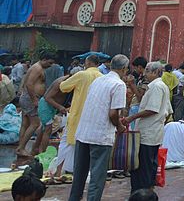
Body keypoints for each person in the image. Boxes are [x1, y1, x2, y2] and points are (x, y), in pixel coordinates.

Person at [68, 54, 129, 201]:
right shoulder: (119, 85)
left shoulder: (98, 80)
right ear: (124, 69)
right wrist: (120, 126)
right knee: (97, 178)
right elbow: (113, 113)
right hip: (100, 136)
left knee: (79, 175)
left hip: (84, 132)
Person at [124, 61, 173, 192]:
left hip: (148, 133)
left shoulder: (157, 86)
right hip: (152, 132)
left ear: (155, 72)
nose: (145, 73)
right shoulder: (158, 86)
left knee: (144, 167)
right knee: (148, 165)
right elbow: (168, 111)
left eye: (147, 70)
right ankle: (146, 191)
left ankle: (142, 193)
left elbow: (152, 109)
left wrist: (132, 117)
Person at [57, 54, 102, 174]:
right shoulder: (102, 77)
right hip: (92, 117)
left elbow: (63, 87)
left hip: (77, 114)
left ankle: (59, 170)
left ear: (87, 63)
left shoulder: (82, 74)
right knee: (83, 145)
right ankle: (76, 170)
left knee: (66, 142)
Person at [16, 52, 56, 157]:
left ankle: (20, 147)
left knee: (25, 124)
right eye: (49, 62)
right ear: (44, 59)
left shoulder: (35, 67)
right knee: (35, 124)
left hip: (26, 97)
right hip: (30, 98)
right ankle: (21, 148)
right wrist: (34, 99)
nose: (50, 65)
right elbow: (29, 84)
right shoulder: (37, 68)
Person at [35, 72, 71, 155]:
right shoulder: (60, 83)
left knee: (44, 128)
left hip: (51, 107)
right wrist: (60, 107)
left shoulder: (66, 82)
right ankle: (42, 152)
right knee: (48, 129)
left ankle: (36, 148)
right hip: (46, 105)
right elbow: (47, 97)